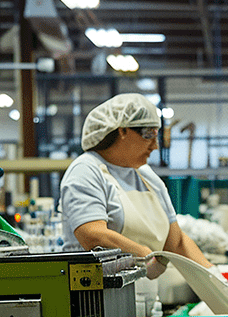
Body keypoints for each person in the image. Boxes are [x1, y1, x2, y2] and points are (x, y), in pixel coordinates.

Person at [60, 93, 216, 280]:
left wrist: (215, 275)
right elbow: (93, 235)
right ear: (122, 131)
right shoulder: (86, 170)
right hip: (97, 290)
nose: (155, 146)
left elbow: (177, 242)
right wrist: (144, 256)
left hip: (144, 290)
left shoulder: (147, 176)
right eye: (149, 134)